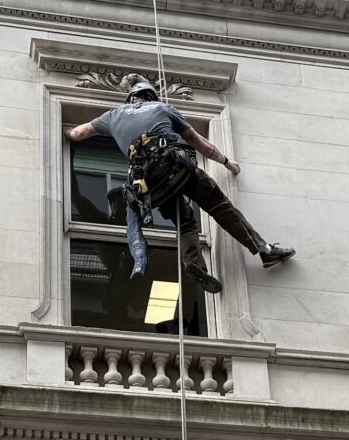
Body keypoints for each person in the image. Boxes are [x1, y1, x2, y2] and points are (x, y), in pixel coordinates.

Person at [66, 76, 293, 295]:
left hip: (146, 186)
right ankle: (264, 250)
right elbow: (196, 141)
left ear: (131, 99)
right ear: (150, 96)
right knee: (219, 205)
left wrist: (66, 134)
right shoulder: (163, 108)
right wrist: (225, 161)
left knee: (184, 221)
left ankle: (195, 264)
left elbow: (79, 133)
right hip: (172, 167)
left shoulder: (112, 115)